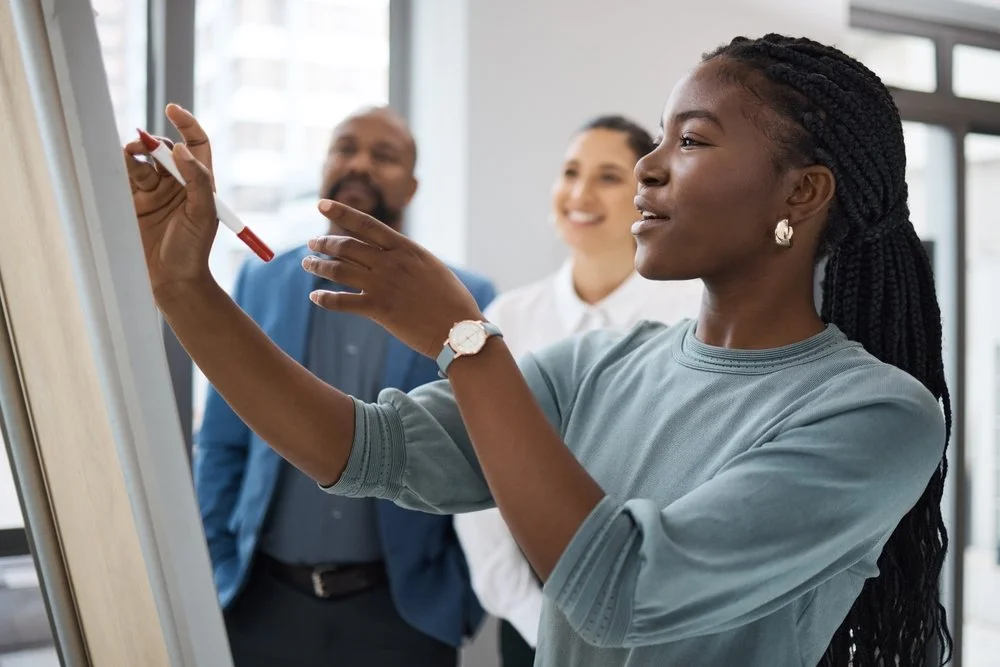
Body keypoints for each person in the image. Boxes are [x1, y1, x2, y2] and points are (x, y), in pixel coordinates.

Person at [125, 33, 953, 667]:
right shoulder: (602, 363)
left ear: (802, 193)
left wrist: (466, 342)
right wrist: (183, 288)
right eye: (658, 141)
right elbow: (362, 449)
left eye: (691, 142)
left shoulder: (877, 413)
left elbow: (618, 589)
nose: (649, 172)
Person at [190, 106, 492, 667]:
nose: (359, 163)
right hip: (263, 605)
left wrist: (462, 599)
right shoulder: (261, 281)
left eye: (384, 156)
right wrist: (217, 561)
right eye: (345, 147)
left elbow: (486, 452)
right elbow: (223, 442)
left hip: (404, 615)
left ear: (413, 184)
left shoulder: (466, 297)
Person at [452, 115, 702, 667]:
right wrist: (532, 617)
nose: (580, 193)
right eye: (570, 172)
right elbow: (477, 479)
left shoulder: (697, 319)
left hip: (663, 626)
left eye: (609, 177)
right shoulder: (504, 320)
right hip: (531, 623)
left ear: (649, 192)